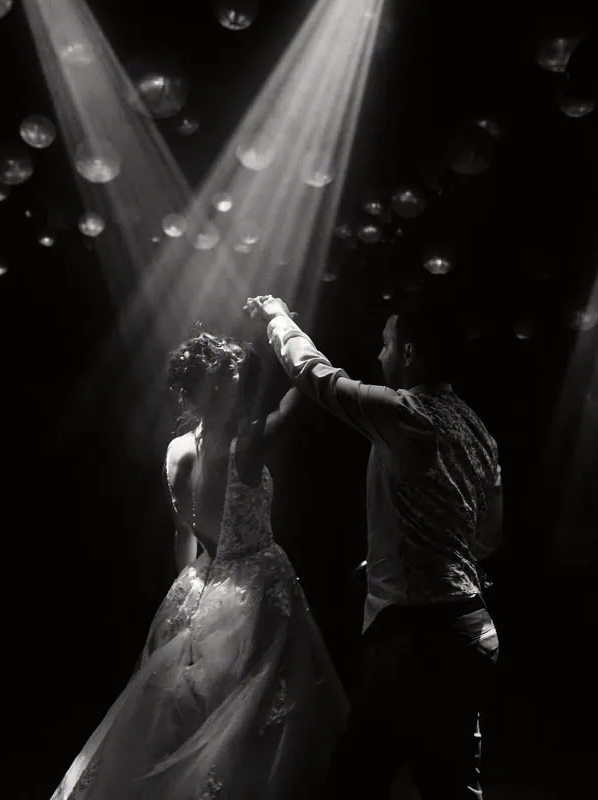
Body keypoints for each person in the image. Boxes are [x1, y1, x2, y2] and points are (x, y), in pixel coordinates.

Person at [49, 325, 348, 800]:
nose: (240, 385)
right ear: (217, 386)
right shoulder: (244, 446)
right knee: (255, 719)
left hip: (198, 583)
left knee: (194, 716)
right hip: (255, 586)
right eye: (232, 378)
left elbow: (182, 531)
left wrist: (191, 608)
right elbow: (308, 391)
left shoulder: (177, 450)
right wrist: (284, 326)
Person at [244, 294, 504, 800]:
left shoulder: (400, 409)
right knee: (439, 780)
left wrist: (278, 318)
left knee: (362, 778)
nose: (379, 355)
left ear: (409, 353)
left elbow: (318, 377)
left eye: (386, 344)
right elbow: (488, 537)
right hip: (471, 626)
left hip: (415, 637)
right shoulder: (479, 428)